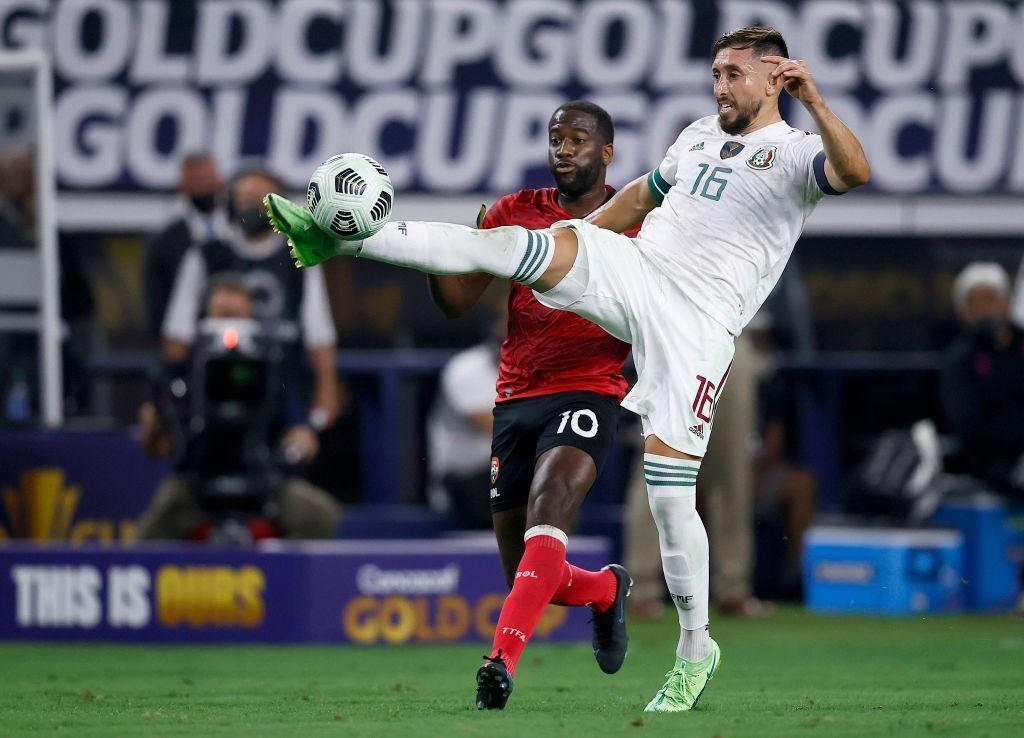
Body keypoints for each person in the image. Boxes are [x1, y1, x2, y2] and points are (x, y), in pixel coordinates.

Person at [264, 26, 869, 712]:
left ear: (774, 78)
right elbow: (641, 198)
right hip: (639, 271)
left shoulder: (795, 154)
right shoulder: (698, 134)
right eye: (716, 73)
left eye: (734, 74)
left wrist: (815, 97)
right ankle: (343, 236)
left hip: (699, 325)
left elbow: (852, 172)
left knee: (671, 496)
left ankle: (696, 648)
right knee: (513, 247)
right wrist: (574, 240)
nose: (721, 86)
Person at [427, 101, 638, 708]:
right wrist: (432, 255)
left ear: (606, 153)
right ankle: (602, 590)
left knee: (551, 506)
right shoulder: (514, 212)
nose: (564, 148)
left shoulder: (640, 220)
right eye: (555, 138)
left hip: (591, 387)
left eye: (578, 139)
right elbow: (457, 301)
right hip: (517, 397)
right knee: (526, 569)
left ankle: (500, 663)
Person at [137, 277, 341, 540]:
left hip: (262, 481)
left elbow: (302, 435)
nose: (229, 328)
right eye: (222, 316)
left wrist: (301, 441)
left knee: (319, 515)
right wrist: (156, 428)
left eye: (237, 317)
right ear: (204, 317)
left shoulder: (273, 368)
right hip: (198, 482)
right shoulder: (183, 371)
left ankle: (281, 579)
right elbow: (155, 446)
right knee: (147, 536)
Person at [163, 168, 343, 429]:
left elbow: (320, 337)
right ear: (230, 203)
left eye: (263, 199)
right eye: (245, 198)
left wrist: (323, 403)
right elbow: (177, 336)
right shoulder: (207, 256)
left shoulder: (300, 257)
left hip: (279, 389)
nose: (254, 207)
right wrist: (172, 396)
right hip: (213, 388)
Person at [940, 263, 1024, 498]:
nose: (986, 310)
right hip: (988, 468)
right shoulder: (960, 359)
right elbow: (968, 425)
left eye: (991, 299)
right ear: (963, 312)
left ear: (1007, 302)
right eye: (975, 303)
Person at [425, 304, 504, 529]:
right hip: (465, 478)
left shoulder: (538, 370)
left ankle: (555, 559)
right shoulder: (466, 368)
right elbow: (498, 428)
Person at [143, 153, 230, 339]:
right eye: (195, 181)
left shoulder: (239, 228)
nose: (202, 187)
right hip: (188, 337)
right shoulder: (165, 241)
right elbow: (157, 298)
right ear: (182, 186)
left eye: (206, 179)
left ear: (219, 180)